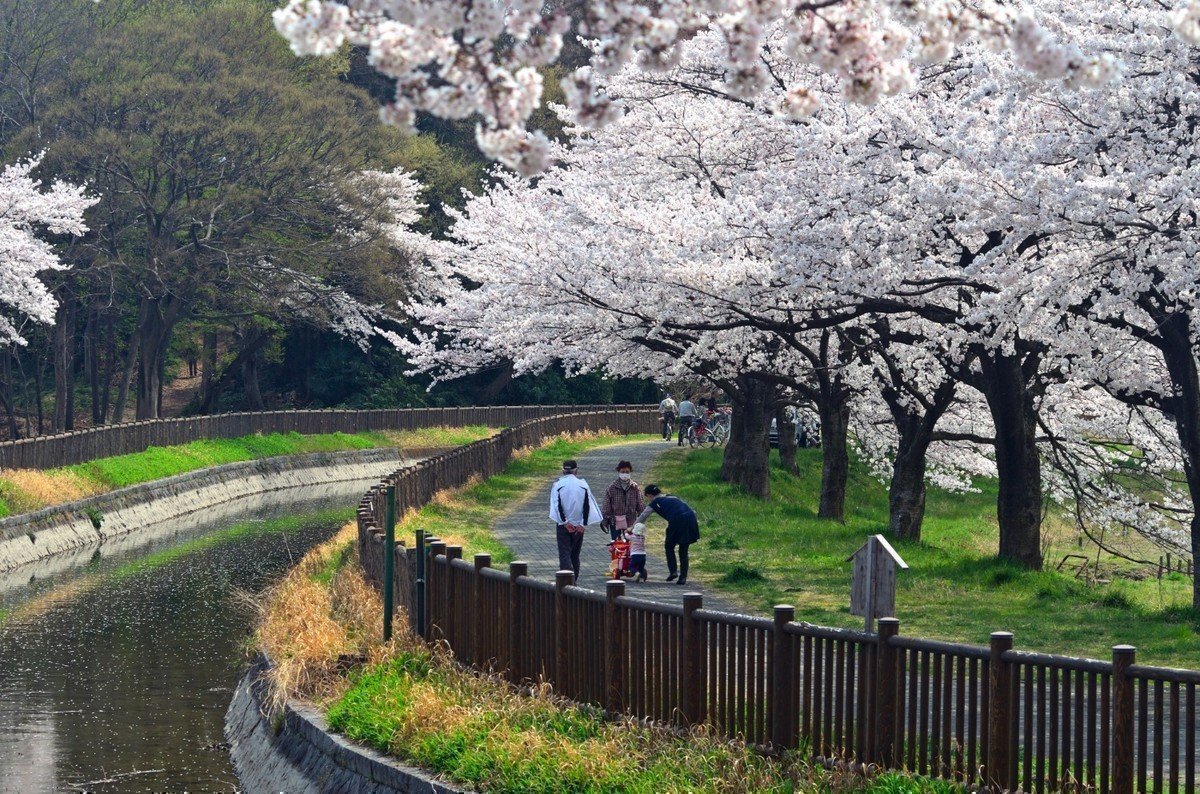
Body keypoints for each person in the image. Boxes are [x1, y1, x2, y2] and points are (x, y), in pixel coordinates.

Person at [635, 484, 700, 585]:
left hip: (676, 520)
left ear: (649, 495)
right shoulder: (671, 496)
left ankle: (673, 571)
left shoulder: (654, 502)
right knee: (683, 550)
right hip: (690, 518)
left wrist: (632, 527)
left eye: (647, 497)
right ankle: (683, 578)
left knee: (669, 546)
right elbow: (689, 508)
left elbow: (643, 516)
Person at [549, 459, 602, 578]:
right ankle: (575, 581)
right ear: (576, 471)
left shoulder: (557, 485)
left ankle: (565, 580)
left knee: (564, 554)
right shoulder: (583, 485)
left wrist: (565, 522)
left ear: (563, 471)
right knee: (575, 555)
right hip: (579, 526)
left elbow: (557, 506)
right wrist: (583, 524)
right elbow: (587, 506)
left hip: (563, 526)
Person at [602, 460, 645, 541]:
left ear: (630, 472)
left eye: (627, 472)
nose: (625, 474)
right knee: (616, 545)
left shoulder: (635, 487)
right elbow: (606, 505)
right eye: (623, 472)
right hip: (615, 521)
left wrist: (641, 518)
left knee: (630, 546)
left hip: (631, 522)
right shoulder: (612, 487)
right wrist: (605, 519)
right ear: (618, 471)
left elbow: (640, 504)